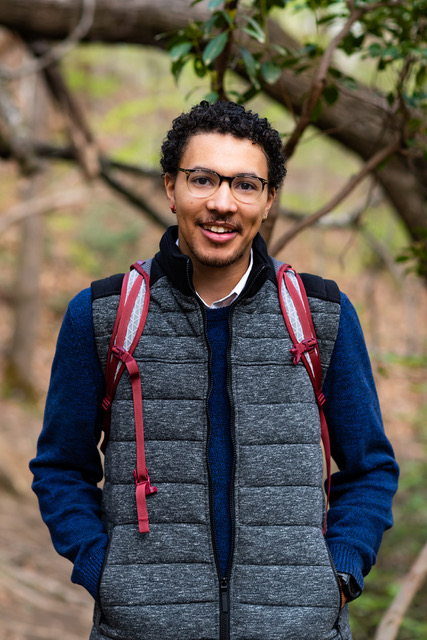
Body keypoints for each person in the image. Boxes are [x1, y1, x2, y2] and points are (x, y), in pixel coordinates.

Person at [30, 100, 399, 640]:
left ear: (269, 200)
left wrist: (338, 573)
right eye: (202, 179)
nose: (223, 203)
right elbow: (61, 467)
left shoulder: (321, 318)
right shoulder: (103, 317)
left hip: (299, 628)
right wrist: (106, 572)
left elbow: (370, 469)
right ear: (170, 188)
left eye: (246, 185)